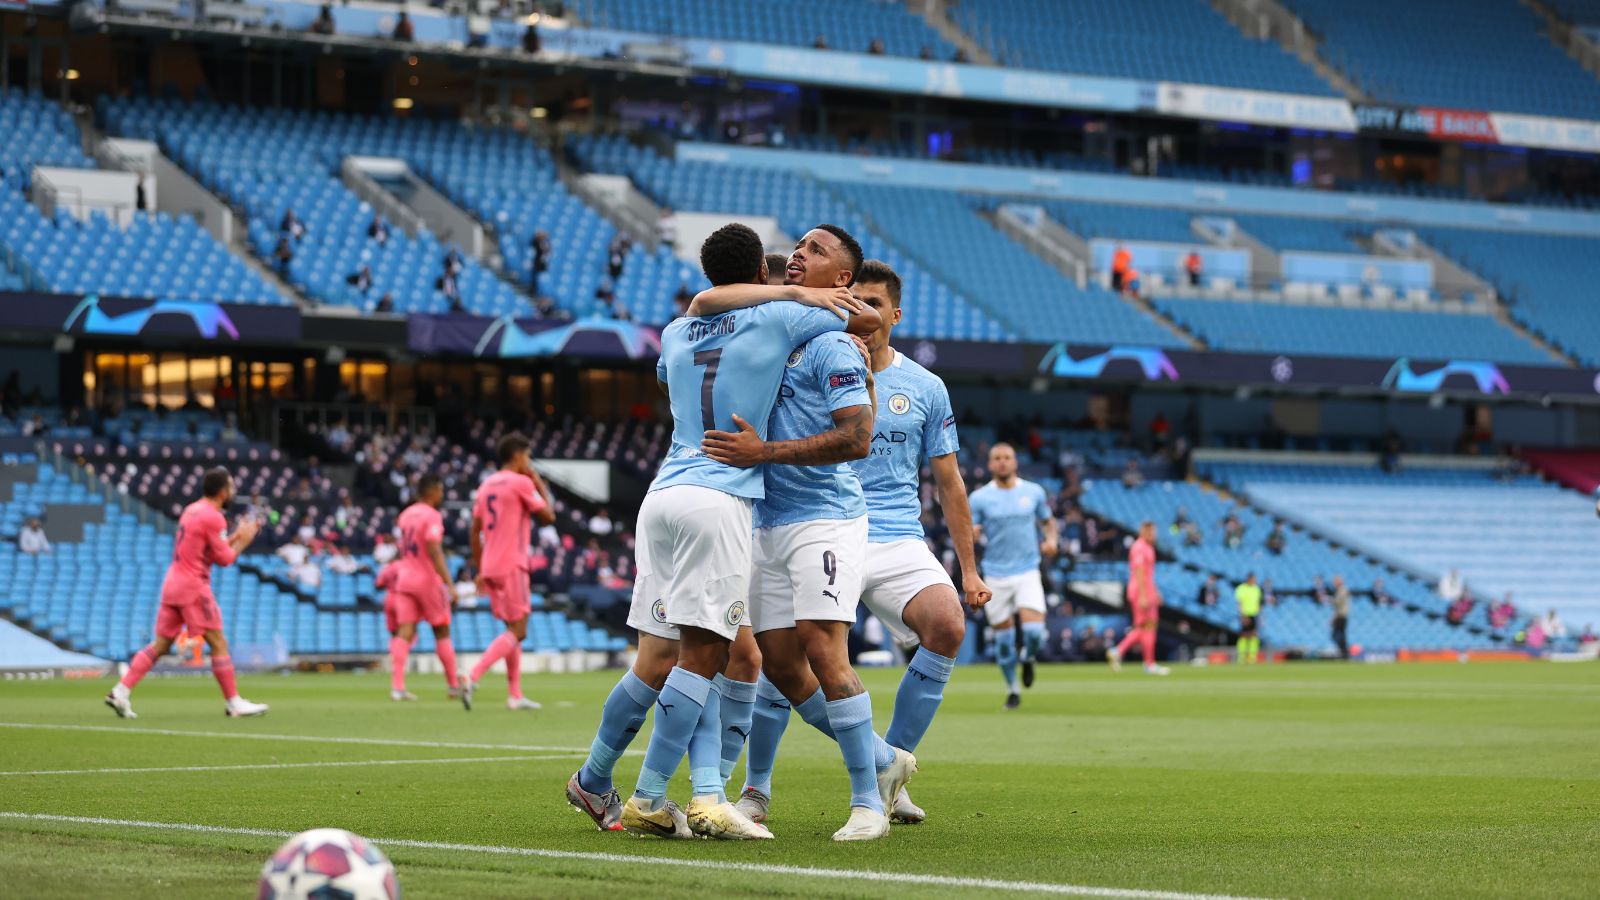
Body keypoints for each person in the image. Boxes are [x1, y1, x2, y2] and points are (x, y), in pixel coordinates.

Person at [566, 223, 877, 840]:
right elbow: (865, 321)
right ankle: (656, 795)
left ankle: (597, 778)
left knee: (658, 655)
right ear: (762, 275)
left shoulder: (679, 329)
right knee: (706, 655)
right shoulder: (781, 319)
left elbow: (674, 360)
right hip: (720, 494)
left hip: (662, 495)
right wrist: (806, 300)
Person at [105, 468, 268, 719]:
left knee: (161, 644)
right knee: (218, 641)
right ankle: (234, 702)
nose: (234, 492)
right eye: (232, 487)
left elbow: (207, 549)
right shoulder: (214, 517)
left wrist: (234, 535)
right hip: (193, 587)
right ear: (223, 491)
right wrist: (244, 540)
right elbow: (224, 559)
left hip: (173, 583)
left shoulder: (192, 510)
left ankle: (120, 691)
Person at [463, 433, 556, 711]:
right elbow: (549, 516)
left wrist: (479, 568)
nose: (528, 461)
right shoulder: (520, 482)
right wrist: (537, 482)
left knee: (510, 628)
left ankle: (514, 694)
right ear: (517, 456)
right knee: (519, 630)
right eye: (527, 455)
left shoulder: (486, 485)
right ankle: (472, 675)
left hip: (490, 564)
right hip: (512, 562)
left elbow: (474, 531)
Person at [969, 442, 1057, 709]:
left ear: (1015, 462)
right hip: (995, 575)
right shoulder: (980, 498)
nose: (1003, 462)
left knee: (1034, 632)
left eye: (1007, 457)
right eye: (998, 458)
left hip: (1028, 570)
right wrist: (972, 533)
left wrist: (1051, 539)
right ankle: (1013, 689)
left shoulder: (1034, 492)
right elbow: (970, 530)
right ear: (991, 464)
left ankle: (1029, 658)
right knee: (1004, 643)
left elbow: (1048, 521)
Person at [387, 474, 463, 702]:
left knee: (405, 631)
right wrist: (449, 584)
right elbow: (433, 547)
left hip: (405, 577)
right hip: (427, 579)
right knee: (441, 629)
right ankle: (453, 685)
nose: (441, 495)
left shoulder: (406, 514)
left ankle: (398, 687)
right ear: (431, 492)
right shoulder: (432, 515)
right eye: (439, 490)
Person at [1108, 521, 1168, 675]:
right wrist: (1143, 595)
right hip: (1141, 591)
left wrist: (1155, 592)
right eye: (1152, 531)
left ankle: (1118, 651)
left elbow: (1148, 574)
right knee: (1148, 626)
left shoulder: (1147, 547)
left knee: (1144, 627)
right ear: (1144, 531)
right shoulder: (1140, 547)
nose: (1154, 535)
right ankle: (1148, 663)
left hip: (1146, 589)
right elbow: (1140, 572)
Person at [1236, 572, 1263, 664]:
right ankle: (1241, 657)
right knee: (1244, 635)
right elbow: (1240, 603)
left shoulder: (1257, 589)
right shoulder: (1241, 588)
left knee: (1254, 635)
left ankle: (1252, 657)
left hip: (1254, 614)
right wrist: (1242, 615)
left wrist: (1260, 616)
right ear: (1248, 579)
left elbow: (1259, 603)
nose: (1254, 581)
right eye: (1253, 579)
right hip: (1245, 614)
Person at [1330, 575, 1350, 659]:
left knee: (1339, 634)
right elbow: (1337, 607)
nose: (1333, 583)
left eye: (1335, 581)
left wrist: (1330, 600)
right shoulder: (1339, 590)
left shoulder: (1342, 590)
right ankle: (1343, 652)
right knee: (1337, 634)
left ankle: (1344, 653)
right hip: (1339, 615)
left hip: (1342, 616)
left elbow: (1338, 602)